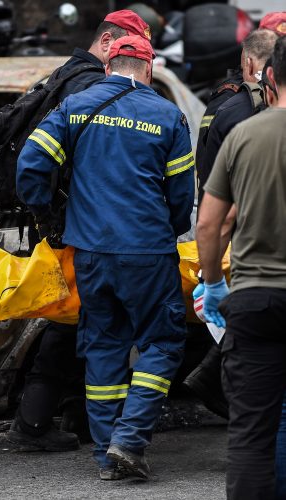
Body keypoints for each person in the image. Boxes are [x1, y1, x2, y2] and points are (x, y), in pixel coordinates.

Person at [17, 34, 194, 480]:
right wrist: (165, 230)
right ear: (149, 69)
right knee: (163, 342)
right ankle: (129, 440)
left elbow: (31, 161)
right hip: (148, 251)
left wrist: (46, 215)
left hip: (91, 253)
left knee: (103, 346)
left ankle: (105, 456)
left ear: (109, 62)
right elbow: (181, 196)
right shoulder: (167, 115)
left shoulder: (77, 106)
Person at [7, 9, 153, 457]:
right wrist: (61, 219)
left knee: (75, 319)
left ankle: (69, 415)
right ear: (108, 42)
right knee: (74, 324)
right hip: (87, 229)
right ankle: (36, 421)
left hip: (65, 222)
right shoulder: (90, 87)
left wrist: (46, 214)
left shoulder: (65, 77)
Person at [196, 36, 286, 500]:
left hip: (255, 298)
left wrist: (213, 283)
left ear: (268, 77)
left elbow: (213, 222)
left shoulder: (245, 135)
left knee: (251, 428)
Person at [184, 27, 278, 418]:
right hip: (247, 235)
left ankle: (213, 381)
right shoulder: (253, 117)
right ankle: (217, 383)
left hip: (221, 225)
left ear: (250, 65)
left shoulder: (221, 103)